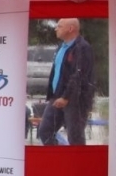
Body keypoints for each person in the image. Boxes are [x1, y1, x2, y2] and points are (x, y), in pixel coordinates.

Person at [39, 18, 95, 146]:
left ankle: (78, 164)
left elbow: (79, 75)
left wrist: (66, 97)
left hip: (75, 99)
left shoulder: (83, 48)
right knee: (45, 131)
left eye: (60, 26)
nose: (56, 28)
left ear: (71, 28)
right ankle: (59, 159)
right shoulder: (61, 47)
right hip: (56, 96)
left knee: (75, 137)